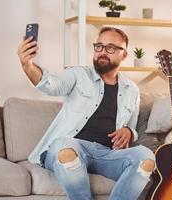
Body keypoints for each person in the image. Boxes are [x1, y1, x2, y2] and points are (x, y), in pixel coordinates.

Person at [17, 26, 155, 200]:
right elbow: (50, 84)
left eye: (111, 48)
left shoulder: (132, 90)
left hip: (106, 155)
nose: (103, 52)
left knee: (146, 157)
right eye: (99, 46)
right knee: (62, 146)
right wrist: (27, 64)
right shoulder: (78, 74)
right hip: (71, 148)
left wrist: (128, 132)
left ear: (124, 55)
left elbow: (131, 127)